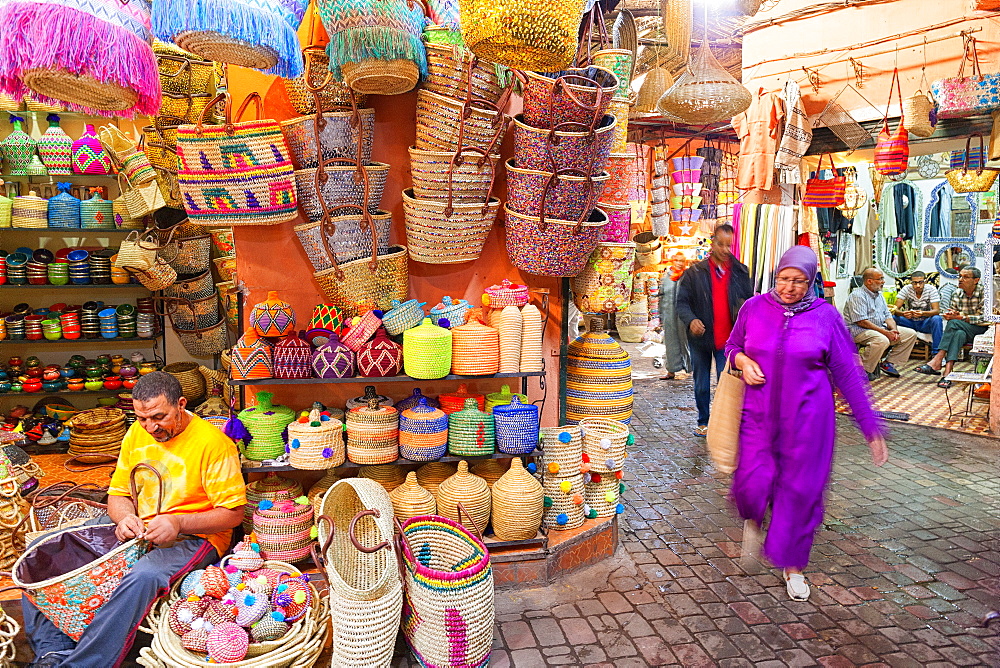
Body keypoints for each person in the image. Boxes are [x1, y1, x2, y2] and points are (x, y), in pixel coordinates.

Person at [24, 372, 247, 667]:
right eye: (142, 418)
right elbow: (117, 495)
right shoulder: (136, 433)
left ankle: (82, 664)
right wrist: (125, 518)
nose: (151, 427)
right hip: (142, 530)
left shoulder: (214, 444)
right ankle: (51, 653)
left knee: (145, 574)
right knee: (44, 548)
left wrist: (178, 523)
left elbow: (233, 515)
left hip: (198, 537)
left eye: (159, 417)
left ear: (181, 404)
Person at [726, 246, 888, 602]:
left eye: (799, 281)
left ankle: (793, 566)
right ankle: (754, 519)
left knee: (800, 494)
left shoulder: (825, 316)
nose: (789, 287)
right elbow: (732, 346)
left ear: (811, 280)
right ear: (776, 275)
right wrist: (741, 360)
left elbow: (848, 375)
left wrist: (871, 428)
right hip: (759, 416)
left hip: (809, 423)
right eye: (784, 278)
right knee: (752, 483)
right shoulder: (753, 308)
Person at [676, 224, 753, 436]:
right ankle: (703, 421)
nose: (725, 249)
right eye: (721, 244)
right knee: (701, 384)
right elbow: (681, 303)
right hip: (700, 339)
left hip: (728, 341)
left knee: (725, 383)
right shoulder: (694, 273)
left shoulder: (741, 272)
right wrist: (691, 320)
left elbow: (750, 304)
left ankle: (723, 423)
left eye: (729, 245)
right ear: (713, 242)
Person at [915, 267, 989, 388]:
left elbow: (985, 318)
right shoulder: (957, 292)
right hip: (961, 328)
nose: (960, 279)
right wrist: (951, 315)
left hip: (980, 330)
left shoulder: (985, 293)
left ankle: (938, 358)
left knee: (954, 324)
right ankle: (947, 373)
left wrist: (962, 318)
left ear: (976, 280)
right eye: (960, 276)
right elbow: (955, 314)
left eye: (965, 277)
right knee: (958, 333)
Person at [843, 268, 917, 381]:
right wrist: (885, 332)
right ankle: (862, 370)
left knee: (910, 334)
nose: (883, 281)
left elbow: (888, 315)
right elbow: (861, 321)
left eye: (882, 278)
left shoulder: (879, 295)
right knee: (881, 340)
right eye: (880, 279)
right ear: (869, 281)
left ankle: (888, 363)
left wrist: (894, 330)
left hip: (878, 328)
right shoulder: (857, 295)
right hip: (858, 330)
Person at [892, 271, 944, 357]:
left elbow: (936, 311)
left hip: (925, 323)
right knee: (892, 318)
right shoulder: (906, 288)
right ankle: (891, 349)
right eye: (915, 283)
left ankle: (937, 354)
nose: (918, 285)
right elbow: (895, 309)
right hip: (910, 322)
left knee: (937, 319)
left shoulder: (931, 289)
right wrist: (903, 314)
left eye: (920, 282)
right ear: (911, 282)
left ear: (925, 282)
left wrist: (923, 313)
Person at [658, 253, 689, 380]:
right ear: (673, 261)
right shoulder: (666, 278)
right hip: (669, 314)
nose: (679, 263)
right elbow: (661, 296)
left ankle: (689, 368)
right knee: (670, 342)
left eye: (682, 261)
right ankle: (671, 370)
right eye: (677, 261)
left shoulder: (688, 277)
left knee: (686, 342)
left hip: (684, 315)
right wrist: (660, 315)